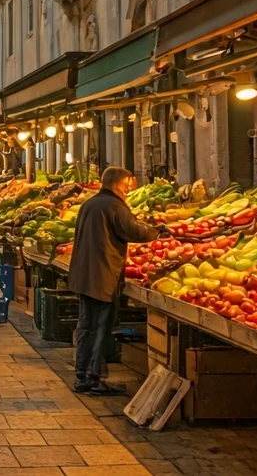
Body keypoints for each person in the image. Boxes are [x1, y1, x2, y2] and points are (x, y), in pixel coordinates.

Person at [67, 166, 159, 395]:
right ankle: (94, 378)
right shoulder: (114, 206)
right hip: (102, 275)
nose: (129, 188)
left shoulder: (90, 204)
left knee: (86, 326)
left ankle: (82, 376)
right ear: (119, 183)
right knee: (100, 327)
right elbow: (133, 231)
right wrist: (155, 231)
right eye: (128, 183)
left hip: (84, 273)